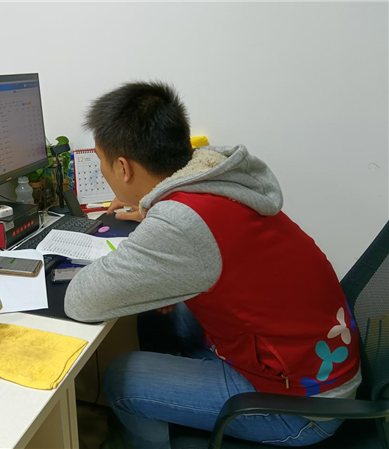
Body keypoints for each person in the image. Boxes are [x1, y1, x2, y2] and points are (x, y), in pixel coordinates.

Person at [64, 81, 361, 447]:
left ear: (123, 167)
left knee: (121, 377)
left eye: (102, 162)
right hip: (312, 364)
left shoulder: (182, 222)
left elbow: (80, 301)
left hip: (301, 408)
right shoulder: (216, 182)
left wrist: (157, 234)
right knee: (160, 315)